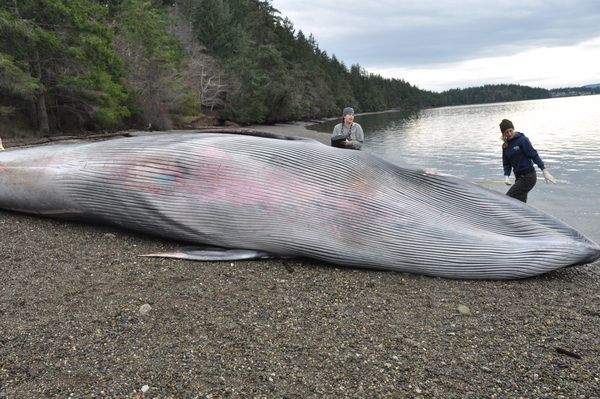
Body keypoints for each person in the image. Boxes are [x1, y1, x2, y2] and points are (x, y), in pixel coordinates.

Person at [499, 119, 556, 203]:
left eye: (510, 131)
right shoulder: (505, 145)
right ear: (503, 133)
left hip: (528, 177)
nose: (509, 134)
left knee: (508, 200)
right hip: (518, 177)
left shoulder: (522, 140)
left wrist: (544, 170)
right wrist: (506, 175)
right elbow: (506, 162)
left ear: (513, 129)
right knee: (520, 204)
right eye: (506, 132)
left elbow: (534, 155)